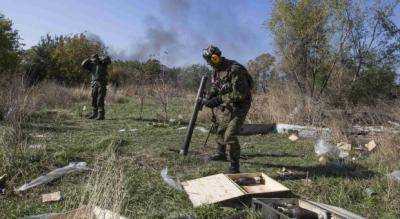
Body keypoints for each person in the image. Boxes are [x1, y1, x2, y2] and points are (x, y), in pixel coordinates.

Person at [202, 45, 253, 173]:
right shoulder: (217, 69)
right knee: (220, 128)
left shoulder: (235, 70)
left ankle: (235, 166)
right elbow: (217, 86)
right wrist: (210, 95)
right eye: (208, 61)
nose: (211, 63)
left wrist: (218, 100)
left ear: (218, 56)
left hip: (240, 105)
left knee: (229, 135)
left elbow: (240, 95)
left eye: (212, 59)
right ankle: (221, 153)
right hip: (228, 103)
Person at [81, 54, 111, 120]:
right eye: (93, 60)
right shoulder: (91, 66)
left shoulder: (103, 64)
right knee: (94, 98)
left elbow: (108, 60)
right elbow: (83, 64)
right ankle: (94, 113)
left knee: (100, 99)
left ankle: (101, 115)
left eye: (95, 60)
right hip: (94, 84)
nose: (94, 61)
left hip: (102, 84)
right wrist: (89, 59)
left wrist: (100, 58)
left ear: (97, 59)